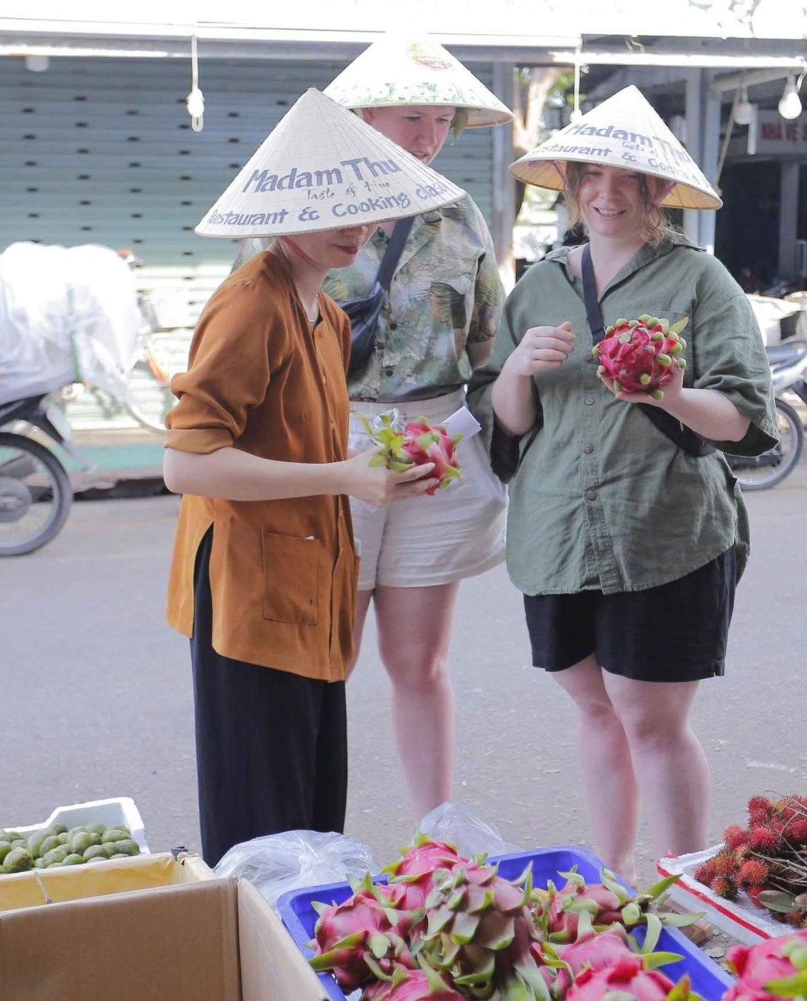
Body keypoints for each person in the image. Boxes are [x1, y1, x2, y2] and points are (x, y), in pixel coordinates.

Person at [468, 86, 778, 880]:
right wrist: (517, 366)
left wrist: (668, 391)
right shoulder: (536, 287)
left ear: (655, 192)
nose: (606, 195)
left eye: (626, 179)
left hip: (662, 532)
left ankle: (684, 882)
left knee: (652, 721)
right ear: (570, 184)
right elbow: (506, 419)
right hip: (557, 532)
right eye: (590, 177)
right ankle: (611, 871)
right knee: (598, 713)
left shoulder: (700, 282)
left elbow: (743, 416)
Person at [162, 89, 462, 864]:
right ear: (282, 209)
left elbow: (317, 447)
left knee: (313, 818)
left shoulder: (324, 312)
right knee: (262, 835)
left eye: (365, 204)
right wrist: (346, 476)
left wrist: (385, 466)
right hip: (250, 591)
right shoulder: (250, 304)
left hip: (307, 591)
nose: (354, 223)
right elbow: (185, 462)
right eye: (331, 205)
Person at [299, 34, 514, 822]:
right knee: (327, 660)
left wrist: (471, 432)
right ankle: (315, 831)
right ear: (363, 116)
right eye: (412, 116)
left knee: (419, 662)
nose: (428, 135)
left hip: (438, 439)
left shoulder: (460, 217)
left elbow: (489, 344)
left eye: (441, 119)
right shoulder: (306, 203)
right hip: (331, 440)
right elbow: (257, 327)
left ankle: (439, 834)